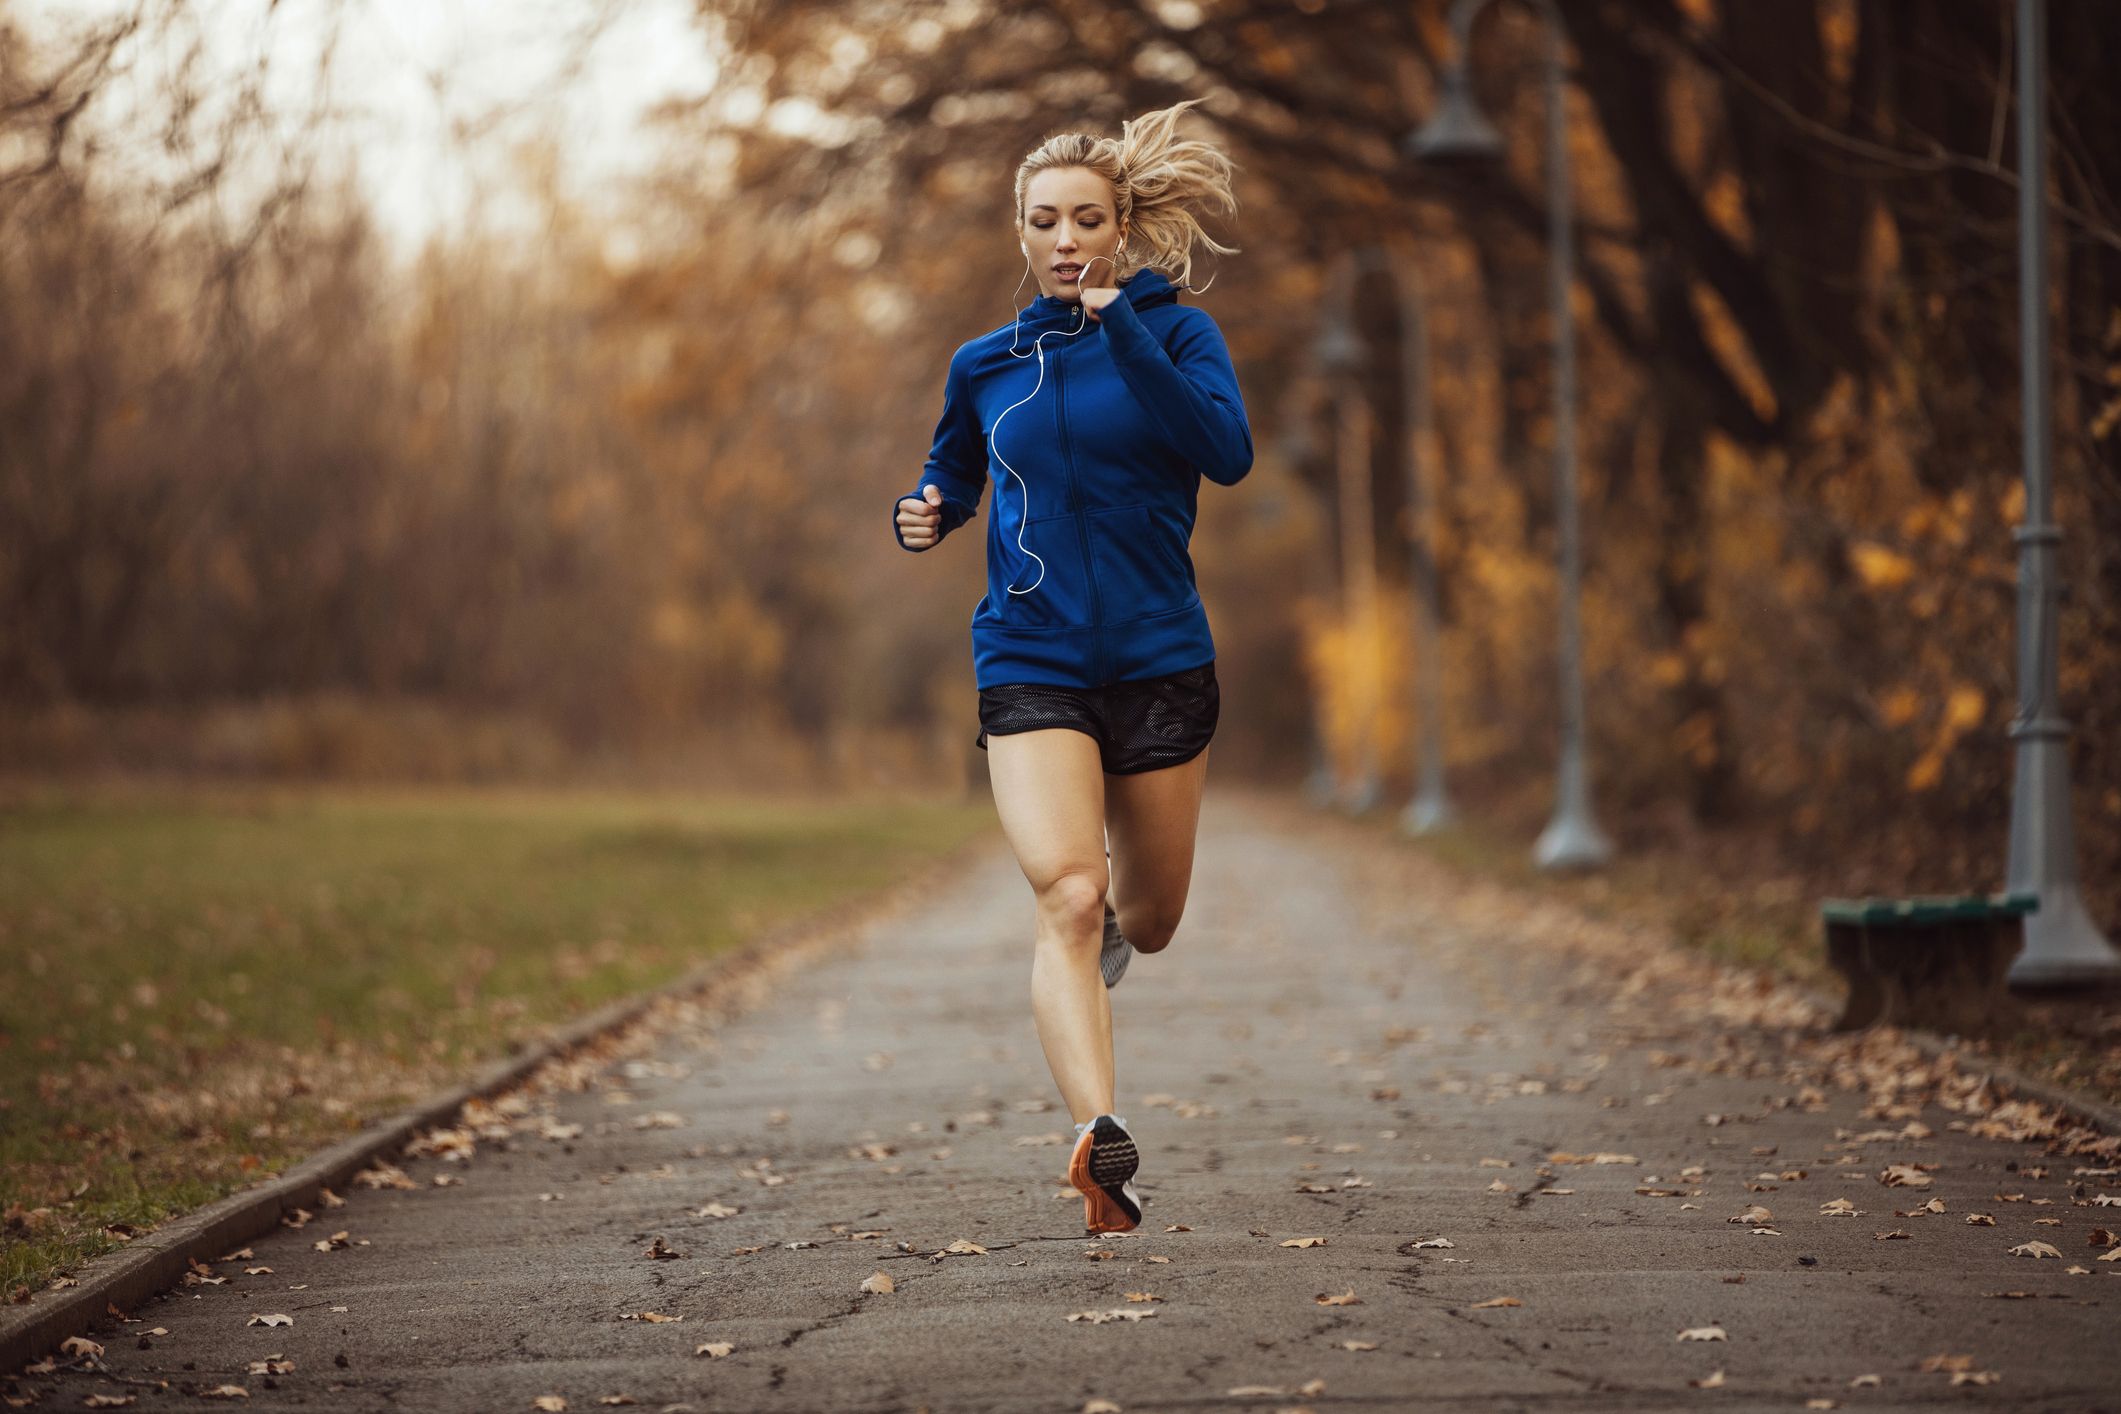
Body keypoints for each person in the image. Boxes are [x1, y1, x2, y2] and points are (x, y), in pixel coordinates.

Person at [891, 98, 1251, 1234]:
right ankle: (1103, 1140)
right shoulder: (984, 363)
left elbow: (1223, 452)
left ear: (1123, 227)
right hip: (1030, 656)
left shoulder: (1180, 336)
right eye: (1043, 221)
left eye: (1086, 219)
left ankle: (1112, 952)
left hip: (1158, 661)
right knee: (1070, 894)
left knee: (1145, 913)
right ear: (1020, 231)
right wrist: (929, 509)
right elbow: (953, 467)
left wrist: (1121, 326)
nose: (1064, 240)